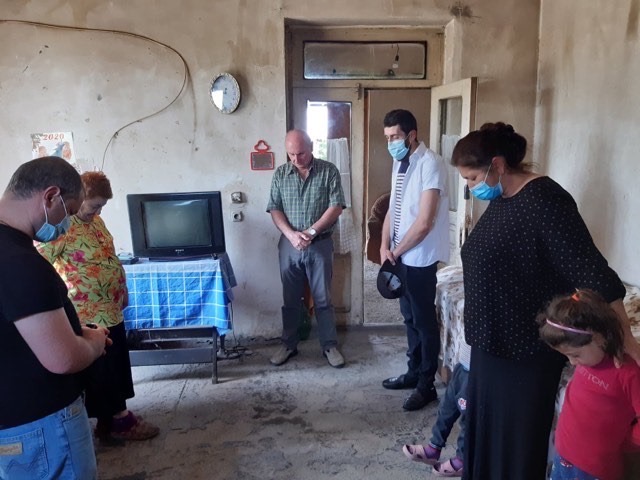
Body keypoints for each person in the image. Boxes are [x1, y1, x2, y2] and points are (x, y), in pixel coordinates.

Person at [450, 122, 640, 480]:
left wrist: (625, 340)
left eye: (473, 178)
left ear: (498, 165)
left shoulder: (544, 201)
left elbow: (595, 275)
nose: (470, 187)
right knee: (487, 436)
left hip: (524, 351)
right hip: (492, 344)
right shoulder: (505, 198)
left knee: (516, 445)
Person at [0, 157, 111, 479]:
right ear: (51, 197)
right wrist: (93, 341)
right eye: (70, 211)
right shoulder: (20, 263)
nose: (68, 223)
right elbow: (62, 359)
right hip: (40, 421)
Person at [37, 171, 159, 445]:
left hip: (111, 307)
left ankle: (109, 422)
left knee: (115, 364)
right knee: (101, 369)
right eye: (94, 205)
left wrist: (122, 287)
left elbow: (110, 257)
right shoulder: (61, 228)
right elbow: (38, 262)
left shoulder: (98, 222)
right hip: (87, 312)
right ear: (79, 198)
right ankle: (120, 420)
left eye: (102, 206)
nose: (98, 211)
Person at [380, 109, 450, 411]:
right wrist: (384, 245)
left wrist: (396, 251)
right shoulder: (399, 161)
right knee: (409, 319)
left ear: (412, 134)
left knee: (424, 323)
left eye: (395, 136)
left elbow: (424, 222)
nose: (391, 143)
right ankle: (412, 372)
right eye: (387, 138)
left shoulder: (430, 164)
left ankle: (426, 386)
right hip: (398, 255)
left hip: (419, 258)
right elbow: (393, 210)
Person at [538, 289, 640, 480]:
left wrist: (629, 442)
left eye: (575, 355)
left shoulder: (628, 371)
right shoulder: (590, 357)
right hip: (563, 453)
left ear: (599, 337)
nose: (572, 362)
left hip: (594, 468)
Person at [266, 129, 346, 368]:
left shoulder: (329, 171)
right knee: (290, 299)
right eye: (291, 154)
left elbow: (336, 207)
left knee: (322, 298)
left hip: (319, 244)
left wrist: (310, 232)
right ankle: (288, 344)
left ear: (311, 147)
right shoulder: (281, 174)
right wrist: (291, 235)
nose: (296, 159)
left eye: (300, 153)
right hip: (289, 245)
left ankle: (329, 345)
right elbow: (274, 208)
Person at [402, 341, 470, 477]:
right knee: (446, 409)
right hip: (463, 363)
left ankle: (462, 459)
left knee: (467, 419)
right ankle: (434, 447)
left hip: (476, 372)